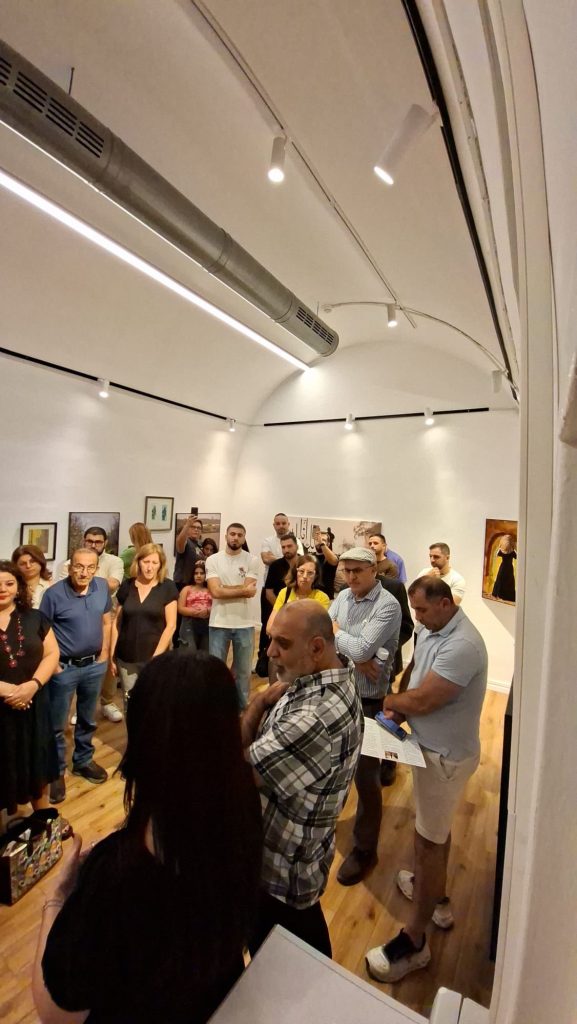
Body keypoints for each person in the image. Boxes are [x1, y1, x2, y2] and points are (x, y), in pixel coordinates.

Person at [33, 650, 263, 1024]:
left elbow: (57, 1013)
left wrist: (55, 900)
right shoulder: (242, 808)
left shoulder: (118, 872)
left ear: (144, 735)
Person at [365, 577, 487, 983]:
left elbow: (427, 698)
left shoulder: (464, 645)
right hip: (428, 749)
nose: (416, 617)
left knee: (427, 844)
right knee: (436, 829)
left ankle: (415, 941)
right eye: (414, 609)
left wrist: (389, 702)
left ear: (446, 603)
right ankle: (438, 898)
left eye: (422, 609)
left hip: (444, 758)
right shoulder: (435, 627)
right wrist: (401, 706)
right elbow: (416, 673)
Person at [241, 601, 363, 957]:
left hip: (279, 875)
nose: (270, 652)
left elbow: (235, 776)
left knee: (282, 969)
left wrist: (255, 706)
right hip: (297, 857)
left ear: (317, 648)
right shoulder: (329, 674)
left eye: (282, 643)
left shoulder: (313, 717)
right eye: (271, 639)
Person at [328, 548, 402, 885]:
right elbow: (325, 633)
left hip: (369, 701)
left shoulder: (387, 604)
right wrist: (357, 656)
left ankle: (365, 849)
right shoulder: (343, 596)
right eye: (347, 570)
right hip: (340, 692)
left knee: (366, 779)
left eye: (358, 570)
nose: (351, 576)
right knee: (336, 766)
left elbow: (354, 645)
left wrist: (346, 642)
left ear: (374, 570)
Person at [40, 548, 112, 803]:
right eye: (79, 566)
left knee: (88, 719)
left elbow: (107, 622)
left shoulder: (101, 588)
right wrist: (54, 666)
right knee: (57, 725)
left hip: (94, 665)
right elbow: (43, 631)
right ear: (70, 567)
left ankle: (83, 761)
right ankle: (56, 771)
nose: (84, 572)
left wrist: (105, 654)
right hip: (64, 668)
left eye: (90, 567)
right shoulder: (54, 594)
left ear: (96, 569)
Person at [0, 561, 61, 818]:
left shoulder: (35, 617)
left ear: (19, 587)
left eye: (9, 583)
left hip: (34, 704)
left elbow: (52, 654)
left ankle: (42, 819)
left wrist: (32, 686)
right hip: (2, 710)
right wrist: (9, 691)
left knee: (37, 759)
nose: (2, 589)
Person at [60, 528, 124, 724]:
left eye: (98, 541)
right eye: (90, 541)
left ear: (105, 542)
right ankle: (82, 706)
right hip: (76, 617)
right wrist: (88, 573)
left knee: (108, 658)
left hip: (107, 615)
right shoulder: (68, 563)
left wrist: (83, 574)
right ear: (84, 540)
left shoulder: (115, 561)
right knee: (80, 660)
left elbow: (113, 584)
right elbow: (63, 587)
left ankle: (107, 702)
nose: (93, 545)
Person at [111, 544, 178, 707]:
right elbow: (117, 623)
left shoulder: (167, 587)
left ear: (161, 565)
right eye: (146, 562)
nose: (149, 567)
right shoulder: (127, 586)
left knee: (155, 703)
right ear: (138, 562)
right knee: (130, 703)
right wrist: (112, 655)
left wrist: (155, 658)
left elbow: (171, 626)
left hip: (156, 658)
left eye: (154, 563)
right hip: (127, 657)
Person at [206, 523, 259, 710]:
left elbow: (249, 592)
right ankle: (216, 710)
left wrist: (224, 588)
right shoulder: (212, 560)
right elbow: (215, 592)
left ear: (244, 538)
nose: (235, 538)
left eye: (239, 535)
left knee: (243, 673)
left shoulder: (252, 560)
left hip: (245, 623)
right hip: (218, 622)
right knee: (216, 671)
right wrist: (241, 589)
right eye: (232, 534)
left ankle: (242, 712)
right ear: (226, 536)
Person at [267, 553, 331, 683]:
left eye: (310, 573)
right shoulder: (285, 593)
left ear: (316, 576)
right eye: (301, 571)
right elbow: (270, 627)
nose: (305, 576)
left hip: (306, 656)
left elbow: (318, 632)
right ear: (295, 572)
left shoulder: (321, 598)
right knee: (277, 689)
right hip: (282, 652)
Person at [178, 561, 212, 651]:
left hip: (207, 622)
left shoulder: (210, 590)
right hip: (189, 622)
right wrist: (195, 612)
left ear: (206, 575)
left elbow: (216, 606)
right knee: (190, 651)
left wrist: (207, 611)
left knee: (205, 652)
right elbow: (180, 608)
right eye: (196, 573)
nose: (199, 576)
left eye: (202, 573)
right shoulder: (187, 589)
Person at [11, 544, 53, 608]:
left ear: (41, 562)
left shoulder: (52, 586)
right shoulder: (12, 587)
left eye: (32, 561)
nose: (28, 566)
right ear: (16, 566)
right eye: (23, 564)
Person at [174, 516, 203, 589]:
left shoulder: (198, 545)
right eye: (193, 527)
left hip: (194, 583)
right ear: (188, 529)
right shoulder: (186, 542)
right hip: (182, 584)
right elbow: (180, 542)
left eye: (199, 528)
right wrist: (187, 525)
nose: (196, 529)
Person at [312, 527, 339, 598]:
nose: (319, 542)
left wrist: (322, 544)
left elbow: (334, 561)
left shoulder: (332, 556)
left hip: (327, 598)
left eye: (323, 540)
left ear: (328, 543)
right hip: (311, 597)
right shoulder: (310, 557)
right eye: (317, 540)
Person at [492, 534, 516, 602]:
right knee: (509, 581)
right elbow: (517, 557)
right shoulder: (513, 552)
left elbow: (497, 554)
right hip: (509, 568)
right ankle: (508, 596)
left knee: (500, 580)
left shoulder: (501, 551)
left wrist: (500, 548)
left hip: (503, 568)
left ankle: (496, 594)